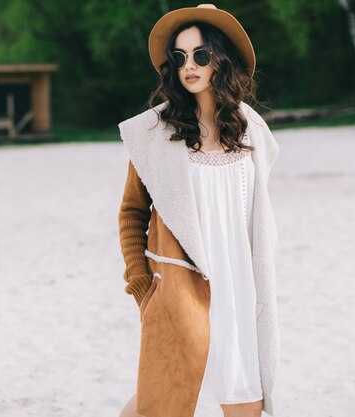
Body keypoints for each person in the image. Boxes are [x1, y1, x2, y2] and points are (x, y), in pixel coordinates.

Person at [117, 4, 281, 417]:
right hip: (181, 288)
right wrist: (142, 283)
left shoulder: (252, 130)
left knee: (246, 401)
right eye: (180, 57)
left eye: (200, 55)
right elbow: (132, 212)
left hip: (242, 289)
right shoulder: (154, 134)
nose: (189, 65)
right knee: (161, 399)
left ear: (220, 60)